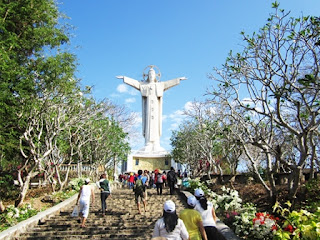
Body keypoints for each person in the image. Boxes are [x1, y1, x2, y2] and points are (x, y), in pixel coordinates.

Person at [117, 66, 187, 152]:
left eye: (152, 74)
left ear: (155, 76)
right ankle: (148, 143)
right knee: (148, 124)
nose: (151, 75)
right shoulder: (144, 85)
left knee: (156, 124)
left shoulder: (159, 85)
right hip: (148, 108)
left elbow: (169, 83)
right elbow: (135, 83)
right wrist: (125, 78)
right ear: (147, 75)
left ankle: (156, 144)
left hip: (156, 108)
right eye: (149, 74)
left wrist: (178, 79)